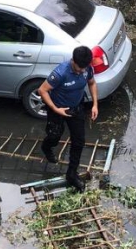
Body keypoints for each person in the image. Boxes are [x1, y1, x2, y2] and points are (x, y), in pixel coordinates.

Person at [38, 46, 98, 192]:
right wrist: (55, 108)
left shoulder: (87, 69)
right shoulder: (61, 72)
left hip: (76, 108)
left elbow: (92, 83)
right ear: (73, 61)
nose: (80, 72)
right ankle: (46, 147)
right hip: (58, 108)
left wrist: (95, 105)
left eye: (83, 69)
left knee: (79, 141)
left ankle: (71, 173)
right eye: (78, 69)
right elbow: (42, 90)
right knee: (54, 135)